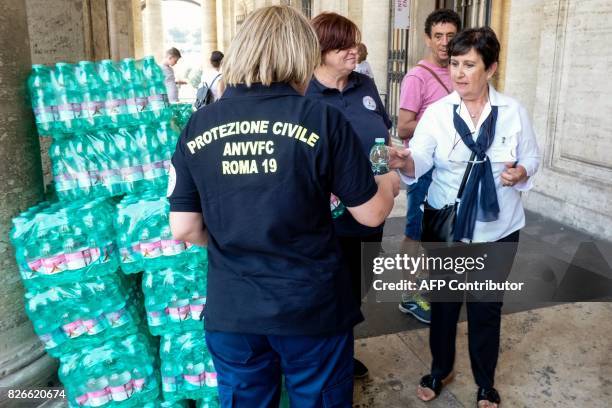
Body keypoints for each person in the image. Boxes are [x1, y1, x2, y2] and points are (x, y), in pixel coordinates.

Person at [168, 5, 400, 408]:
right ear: (302, 54)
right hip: (309, 305)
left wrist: (237, 239)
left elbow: (184, 228)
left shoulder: (199, 124)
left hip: (234, 307)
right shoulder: (321, 119)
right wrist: (387, 178)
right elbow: (372, 213)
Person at [389, 27, 540, 408]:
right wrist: (406, 160)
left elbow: (532, 157)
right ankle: (441, 370)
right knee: (443, 304)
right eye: (454, 63)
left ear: (490, 69)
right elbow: (420, 158)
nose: (458, 72)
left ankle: (485, 381)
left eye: (468, 64)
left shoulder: (513, 112)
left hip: (498, 227)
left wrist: (520, 172)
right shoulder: (439, 113)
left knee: (486, 307)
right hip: (447, 224)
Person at [306, 12, 392, 379]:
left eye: (354, 41)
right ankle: (322, 366)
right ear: (321, 50)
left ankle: (341, 353)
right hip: (324, 222)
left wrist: (390, 160)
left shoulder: (364, 85)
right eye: (342, 44)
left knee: (357, 291)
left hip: (371, 211)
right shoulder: (303, 93)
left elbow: (381, 135)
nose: (353, 50)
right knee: (325, 299)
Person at [397, 9, 462, 325]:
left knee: (445, 234)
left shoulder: (462, 70)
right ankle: (409, 296)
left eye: (450, 36)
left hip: (454, 172)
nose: (445, 42)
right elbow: (403, 128)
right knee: (414, 232)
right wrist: (440, 120)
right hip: (423, 169)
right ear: (427, 38)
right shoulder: (416, 76)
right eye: (438, 36)